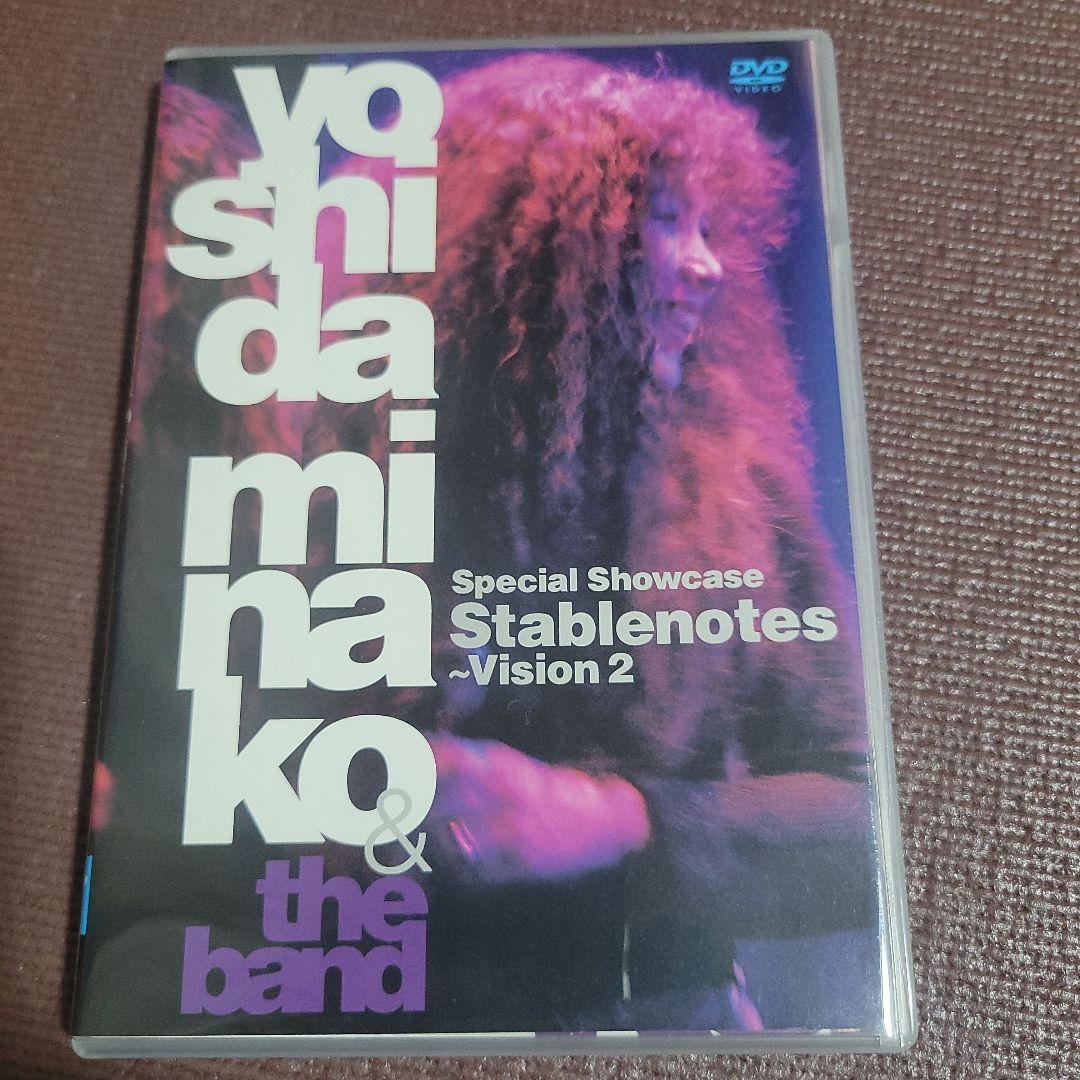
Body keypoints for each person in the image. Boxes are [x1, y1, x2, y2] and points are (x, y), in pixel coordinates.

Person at [314, 52, 879, 1034]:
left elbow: (865, 819)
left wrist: (623, 819)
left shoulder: (739, 488)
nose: (704, 264)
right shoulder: (348, 474)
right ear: (525, 246)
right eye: (664, 220)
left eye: (709, 226)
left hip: (665, 1013)